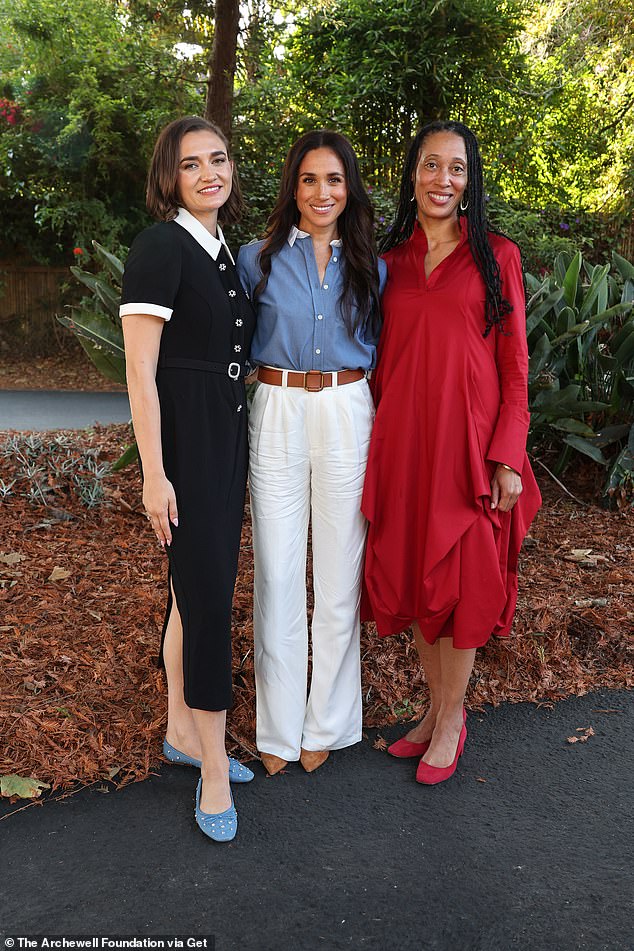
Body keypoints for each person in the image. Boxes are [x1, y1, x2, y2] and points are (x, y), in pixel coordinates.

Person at [362, 120, 541, 784]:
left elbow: (516, 368)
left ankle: (451, 721)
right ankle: (436, 714)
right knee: (419, 586)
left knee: (460, 592)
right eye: (431, 166)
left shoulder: (497, 256)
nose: (443, 180)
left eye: (457, 169)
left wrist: (507, 455)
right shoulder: (389, 262)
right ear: (413, 174)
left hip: (470, 451)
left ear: (471, 181)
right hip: (407, 447)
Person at [120, 116, 256, 841]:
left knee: (189, 594)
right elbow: (141, 373)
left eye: (219, 159)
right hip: (188, 445)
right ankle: (210, 770)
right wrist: (154, 475)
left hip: (224, 434)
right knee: (207, 603)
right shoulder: (159, 246)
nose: (210, 172)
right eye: (191, 163)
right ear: (169, 177)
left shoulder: (220, 250)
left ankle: (182, 730)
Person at [237, 130, 386, 775]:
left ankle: (325, 722)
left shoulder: (371, 267)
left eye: (333, 180)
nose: (321, 192)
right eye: (308, 180)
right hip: (277, 407)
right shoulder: (257, 261)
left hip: (348, 410)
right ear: (292, 188)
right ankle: (276, 729)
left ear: (348, 188)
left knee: (337, 572)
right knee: (275, 565)